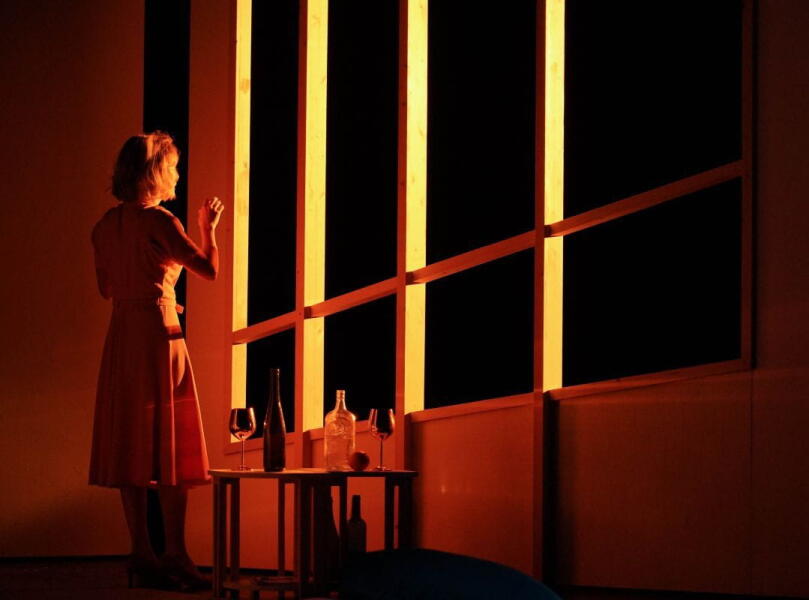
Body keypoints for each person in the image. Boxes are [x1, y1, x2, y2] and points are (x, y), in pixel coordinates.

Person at [88, 132, 224, 590]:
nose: (177, 175)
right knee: (171, 444)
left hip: (123, 335)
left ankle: (142, 553)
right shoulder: (161, 221)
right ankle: (176, 554)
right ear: (156, 173)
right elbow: (208, 270)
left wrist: (145, 288)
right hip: (157, 336)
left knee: (131, 441)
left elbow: (107, 288)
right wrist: (208, 229)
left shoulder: (104, 226)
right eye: (173, 167)